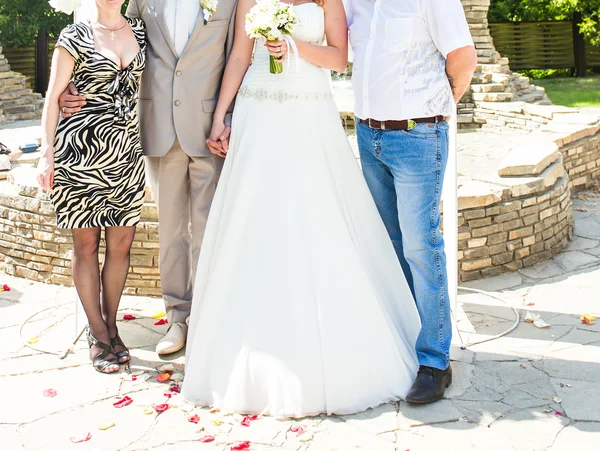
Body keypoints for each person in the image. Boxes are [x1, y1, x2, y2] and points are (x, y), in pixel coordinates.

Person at [182, 0, 421, 418]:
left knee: (316, 214)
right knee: (255, 217)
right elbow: (240, 54)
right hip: (258, 112)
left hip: (309, 113)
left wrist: (291, 46)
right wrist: (222, 115)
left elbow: (338, 57)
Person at [59, 0, 239, 356]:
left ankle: (207, 318)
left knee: (208, 231)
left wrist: (229, 116)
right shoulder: (141, 0)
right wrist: (70, 85)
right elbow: (115, 40)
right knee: (171, 233)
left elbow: (237, 55)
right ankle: (178, 317)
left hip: (210, 130)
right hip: (157, 128)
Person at [345, 0, 477, 404]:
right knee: (390, 245)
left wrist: (437, 105)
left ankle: (435, 361)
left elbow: (463, 57)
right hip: (370, 137)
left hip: (417, 136)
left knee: (421, 246)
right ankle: (405, 340)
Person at [37, 0, 147, 373]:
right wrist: (45, 154)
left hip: (127, 156)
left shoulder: (141, 32)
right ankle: (97, 333)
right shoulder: (74, 35)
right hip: (79, 156)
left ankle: (112, 325)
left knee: (121, 246)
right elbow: (54, 98)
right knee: (85, 247)